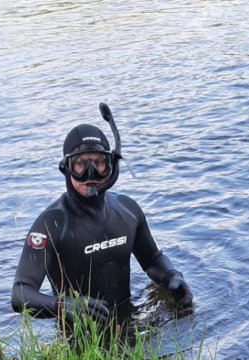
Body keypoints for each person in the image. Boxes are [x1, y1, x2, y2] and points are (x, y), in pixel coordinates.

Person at [11, 104, 192, 327]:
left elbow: (153, 260)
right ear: (66, 168)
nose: (90, 173)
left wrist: (172, 276)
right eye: (80, 164)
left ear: (110, 165)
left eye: (98, 163)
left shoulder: (127, 210)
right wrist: (64, 305)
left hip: (130, 322)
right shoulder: (52, 223)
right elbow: (20, 294)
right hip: (79, 334)